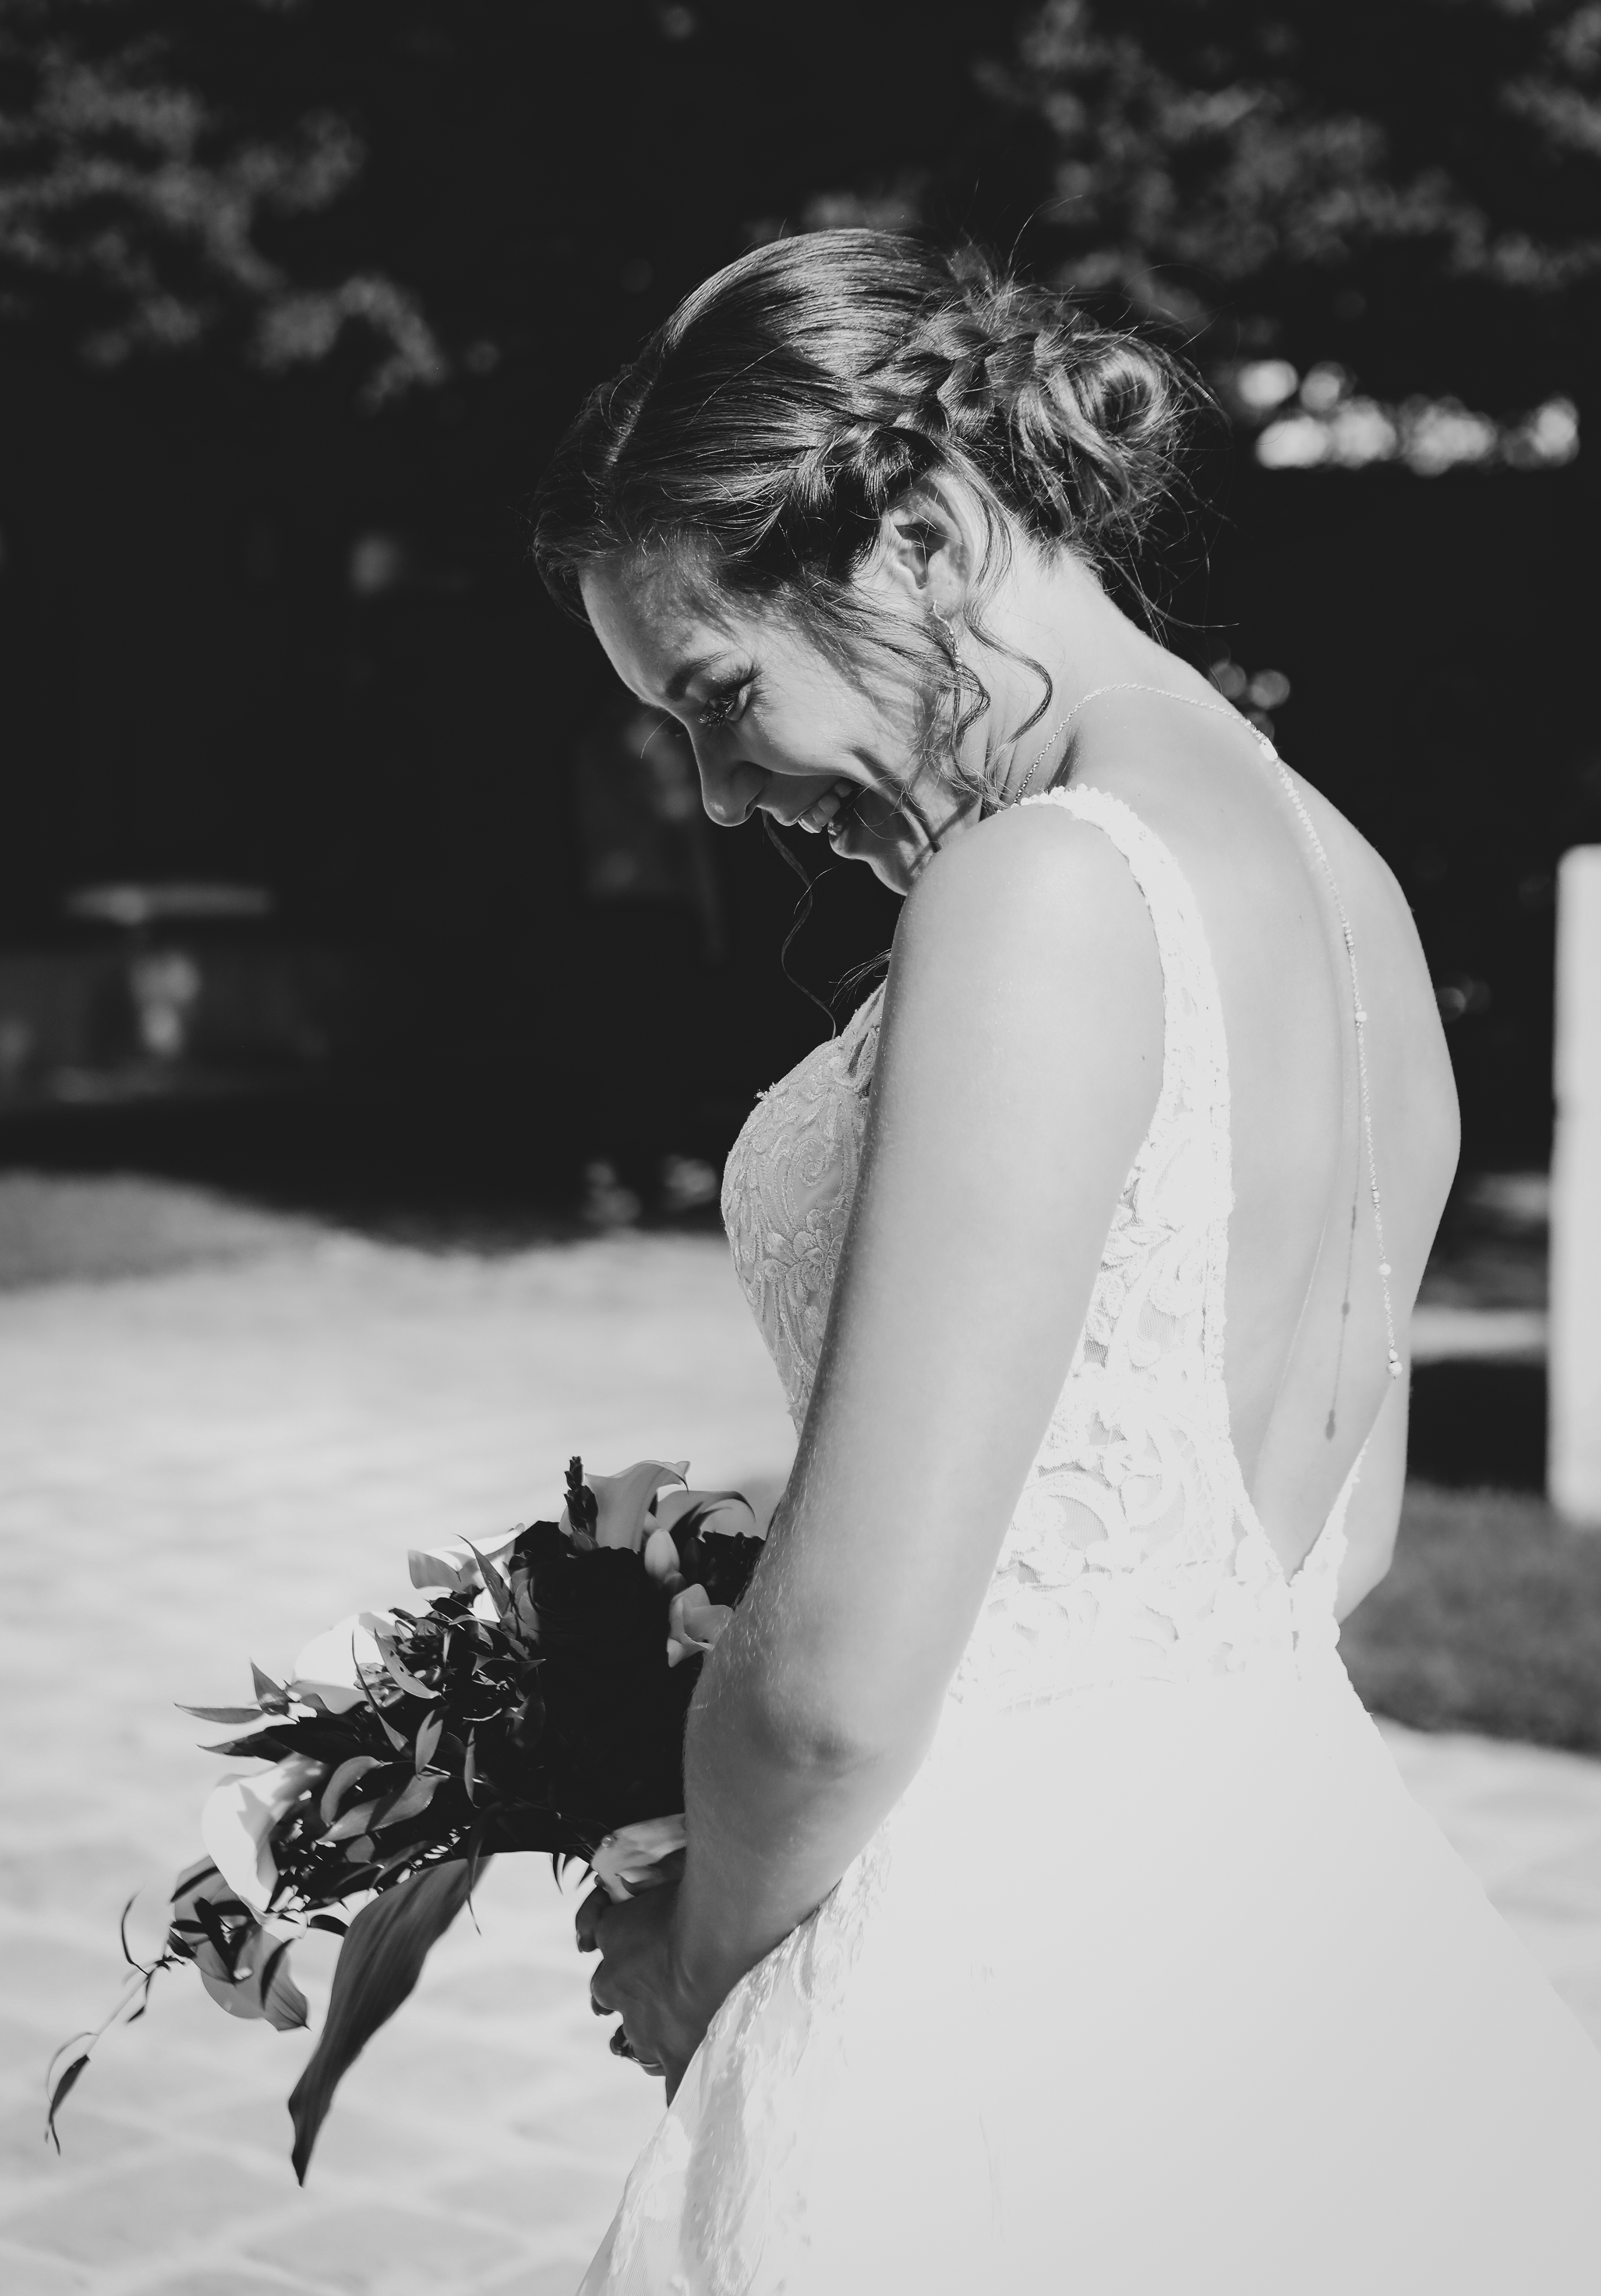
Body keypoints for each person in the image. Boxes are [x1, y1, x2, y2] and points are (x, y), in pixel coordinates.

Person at [531, 231, 1601, 2292]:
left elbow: (832, 1696)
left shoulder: (1042, 888)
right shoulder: (1353, 893)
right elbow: (1332, 1547)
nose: (721, 794)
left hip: (989, 1991)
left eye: (722, 697)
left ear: (924, 539)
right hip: (1289, 1936)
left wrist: (708, 1966)